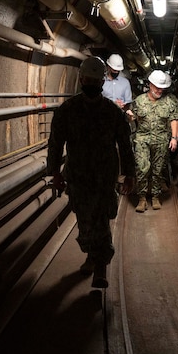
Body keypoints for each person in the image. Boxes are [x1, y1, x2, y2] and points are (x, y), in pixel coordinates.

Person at [47, 56, 136, 289]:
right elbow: (55, 143)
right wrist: (55, 172)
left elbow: (125, 144)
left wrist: (130, 173)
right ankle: (91, 255)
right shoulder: (67, 110)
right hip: (78, 176)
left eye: (95, 81)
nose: (91, 84)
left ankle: (101, 267)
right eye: (88, 79)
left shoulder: (112, 112)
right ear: (80, 79)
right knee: (85, 221)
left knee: (101, 220)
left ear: (101, 84)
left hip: (104, 176)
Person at [133, 69, 178, 212]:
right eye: (157, 87)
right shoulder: (139, 100)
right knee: (142, 167)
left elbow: (174, 118)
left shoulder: (170, 101)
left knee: (158, 169)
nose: (160, 90)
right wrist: (130, 116)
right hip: (142, 138)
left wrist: (174, 138)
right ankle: (141, 198)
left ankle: (155, 196)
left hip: (161, 139)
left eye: (162, 88)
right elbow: (133, 117)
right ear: (150, 85)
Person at [103, 53, 135, 120]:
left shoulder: (125, 83)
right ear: (109, 67)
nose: (116, 72)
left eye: (118, 71)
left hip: (120, 118)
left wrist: (123, 107)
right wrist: (113, 105)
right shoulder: (101, 82)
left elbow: (128, 103)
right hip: (104, 117)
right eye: (114, 70)